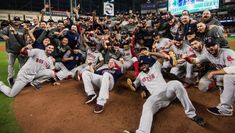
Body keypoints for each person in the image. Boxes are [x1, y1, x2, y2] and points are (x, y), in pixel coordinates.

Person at [124, 50, 205, 133]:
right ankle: (142, 131)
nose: (143, 66)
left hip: (167, 90)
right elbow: (136, 85)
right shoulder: (140, 76)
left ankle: (192, 114)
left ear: (148, 64)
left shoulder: (155, 67)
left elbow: (163, 57)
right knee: (146, 106)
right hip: (156, 98)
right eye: (141, 66)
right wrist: (135, 86)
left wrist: (150, 53)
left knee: (176, 84)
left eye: (144, 64)